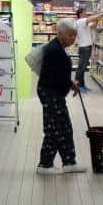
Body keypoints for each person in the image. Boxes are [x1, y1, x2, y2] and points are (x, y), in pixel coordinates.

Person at [37, 20, 85, 175]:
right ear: (61, 34)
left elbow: (58, 74)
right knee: (55, 128)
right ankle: (45, 165)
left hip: (53, 92)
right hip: (50, 92)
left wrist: (70, 84)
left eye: (75, 36)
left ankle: (69, 162)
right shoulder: (55, 50)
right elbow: (57, 77)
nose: (73, 39)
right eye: (71, 35)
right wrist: (70, 83)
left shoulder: (57, 47)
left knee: (64, 127)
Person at [74, 12, 103, 92]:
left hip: (86, 47)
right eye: (84, 12)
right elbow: (90, 19)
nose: (86, 14)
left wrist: (97, 20)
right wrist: (101, 14)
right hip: (84, 47)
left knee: (83, 67)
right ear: (80, 14)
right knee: (81, 67)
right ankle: (78, 86)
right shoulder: (80, 21)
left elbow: (93, 26)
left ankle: (82, 85)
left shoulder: (84, 23)